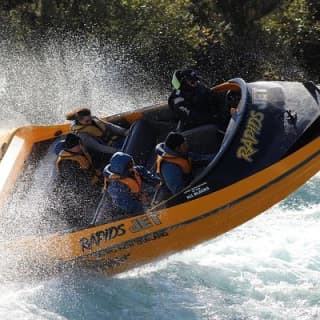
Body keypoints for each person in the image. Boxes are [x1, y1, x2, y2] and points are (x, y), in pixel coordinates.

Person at [53, 133, 103, 226]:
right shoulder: (67, 164)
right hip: (75, 194)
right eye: (79, 145)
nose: (81, 146)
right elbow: (79, 184)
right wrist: (96, 177)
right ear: (73, 146)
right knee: (77, 217)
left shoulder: (76, 154)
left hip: (84, 186)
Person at [155, 132, 214, 198]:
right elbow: (179, 192)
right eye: (184, 145)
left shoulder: (179, 153)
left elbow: (200, 158)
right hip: (177, 194)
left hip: (187, 179)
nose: (187, 146)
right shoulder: (169, 168)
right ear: (177, 148)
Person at [103, 152, 160, 217]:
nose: (133, 167)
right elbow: (127, 205)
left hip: (135, 201)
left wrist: (157, 183)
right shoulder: (115, 186)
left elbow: (147, 175)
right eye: (130, 166)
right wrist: (145, 207)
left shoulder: (134, 170)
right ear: (121, 169)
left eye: (132, 163)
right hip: (119, 214)